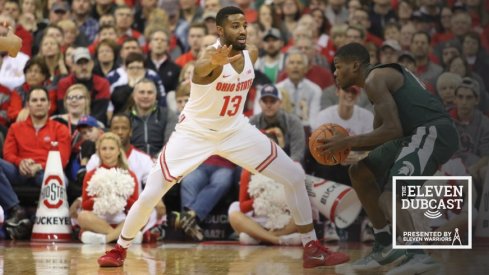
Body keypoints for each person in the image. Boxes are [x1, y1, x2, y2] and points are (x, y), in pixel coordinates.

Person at [97, 7, 350, 269]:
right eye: (235, 26)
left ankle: (312, 248)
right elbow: (201, 69)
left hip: (235, 130)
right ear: (220, 30)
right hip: (194, 134)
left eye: (244, 25)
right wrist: (215, 61)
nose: (242, 30)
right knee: (151, 192)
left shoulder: (251, 53)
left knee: (295, 176)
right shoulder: (208, 62)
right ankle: (119, 250)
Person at [315, 42, 459, 273]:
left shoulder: (375, 79)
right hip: (412, 135)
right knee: (359, 172)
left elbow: (393, 130)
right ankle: (384, 244)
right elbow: (381, 134)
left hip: (432, 132)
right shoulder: (376, 82)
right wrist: (349, 151)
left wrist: (346, 141)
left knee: (389, 197)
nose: (334, 72)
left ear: (354, 65)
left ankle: (417, 255)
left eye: (338, 66)